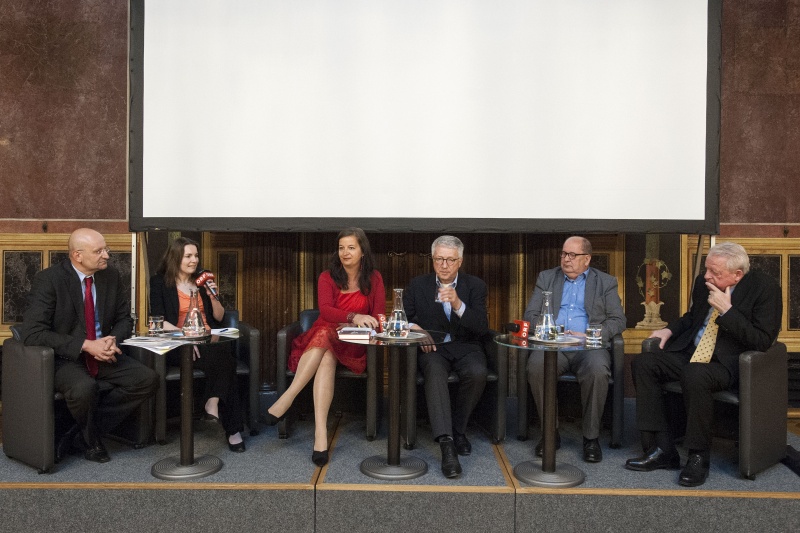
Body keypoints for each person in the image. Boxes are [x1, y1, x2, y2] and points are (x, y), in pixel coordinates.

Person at [625, 242, 782, 487]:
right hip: (692, 352)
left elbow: (762, 340)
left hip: (728, 363)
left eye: (715, 272)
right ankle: (662, 449)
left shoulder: (764, 288)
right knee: (644, 363)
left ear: (737, 274)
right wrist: (668, 329)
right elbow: (692, 317)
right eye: (707, 269)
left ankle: (699, 457)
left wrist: (727, 311)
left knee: (695, 374)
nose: (706, 276)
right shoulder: (703, 282)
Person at [19, 228, 158, 463]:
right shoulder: (50, 280)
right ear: (77, 255)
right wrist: (85, 345)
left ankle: (78, 432)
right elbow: (33, 333)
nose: (106, 255)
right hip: (66, 357)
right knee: (84, 389)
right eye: (99, 251)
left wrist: (112, 340)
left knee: (147, 380)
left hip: (104, 353)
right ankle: (92, 440)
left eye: (106, 249)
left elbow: (126, 319)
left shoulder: (110, 276)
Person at [266, 228, 385, 466]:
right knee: (326, 350)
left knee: (324, 337)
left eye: (351, 247)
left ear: (362, 251)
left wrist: (370, 322)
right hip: (326, 336)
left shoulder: (374, 278)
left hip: (354, 342)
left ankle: (288, 398)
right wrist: (354, 315)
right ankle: (321, 433)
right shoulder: (327, 276)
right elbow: (326, 311)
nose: (345, 253)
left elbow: (379, 313)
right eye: (341, 248)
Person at [523, 236, 626, 463]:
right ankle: (550, 433)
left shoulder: (605, 282)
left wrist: (590, 333)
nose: (565, 259)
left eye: (572, 255)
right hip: (554, 345)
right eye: (563, 254)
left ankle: (591, 438)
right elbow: (530, 315)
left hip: (587, 346)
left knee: (598, 370)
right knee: (536, 367)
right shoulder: (547, 278)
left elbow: (618, 320)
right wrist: (555, 330)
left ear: (587, 259)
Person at [149, 236, 246, 452]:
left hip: (207, 340)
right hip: (178, 342)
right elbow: (157, 319)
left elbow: (219, 318)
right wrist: (185, 337)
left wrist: (213, 297)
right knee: (226, 363)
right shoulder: (160, 282)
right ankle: (233, 430)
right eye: (188, 256)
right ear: (176, 258)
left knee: (223, 352)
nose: (194, 260)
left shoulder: (202, 280)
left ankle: (212, 402)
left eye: (196, 255)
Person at [404, 235, 489, 478]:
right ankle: (447, 443)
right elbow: (401, 318)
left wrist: (458, 304)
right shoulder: (418, 285)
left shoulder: (475, 286)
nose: (444, 265)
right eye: (439, 259)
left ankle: (459, 429)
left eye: (450, 260)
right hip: (432, 348)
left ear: (460, 261)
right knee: (434, 372)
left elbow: (482, 326)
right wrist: (415, 329)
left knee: (477, 372)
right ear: (432, 260)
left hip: (466, 346)